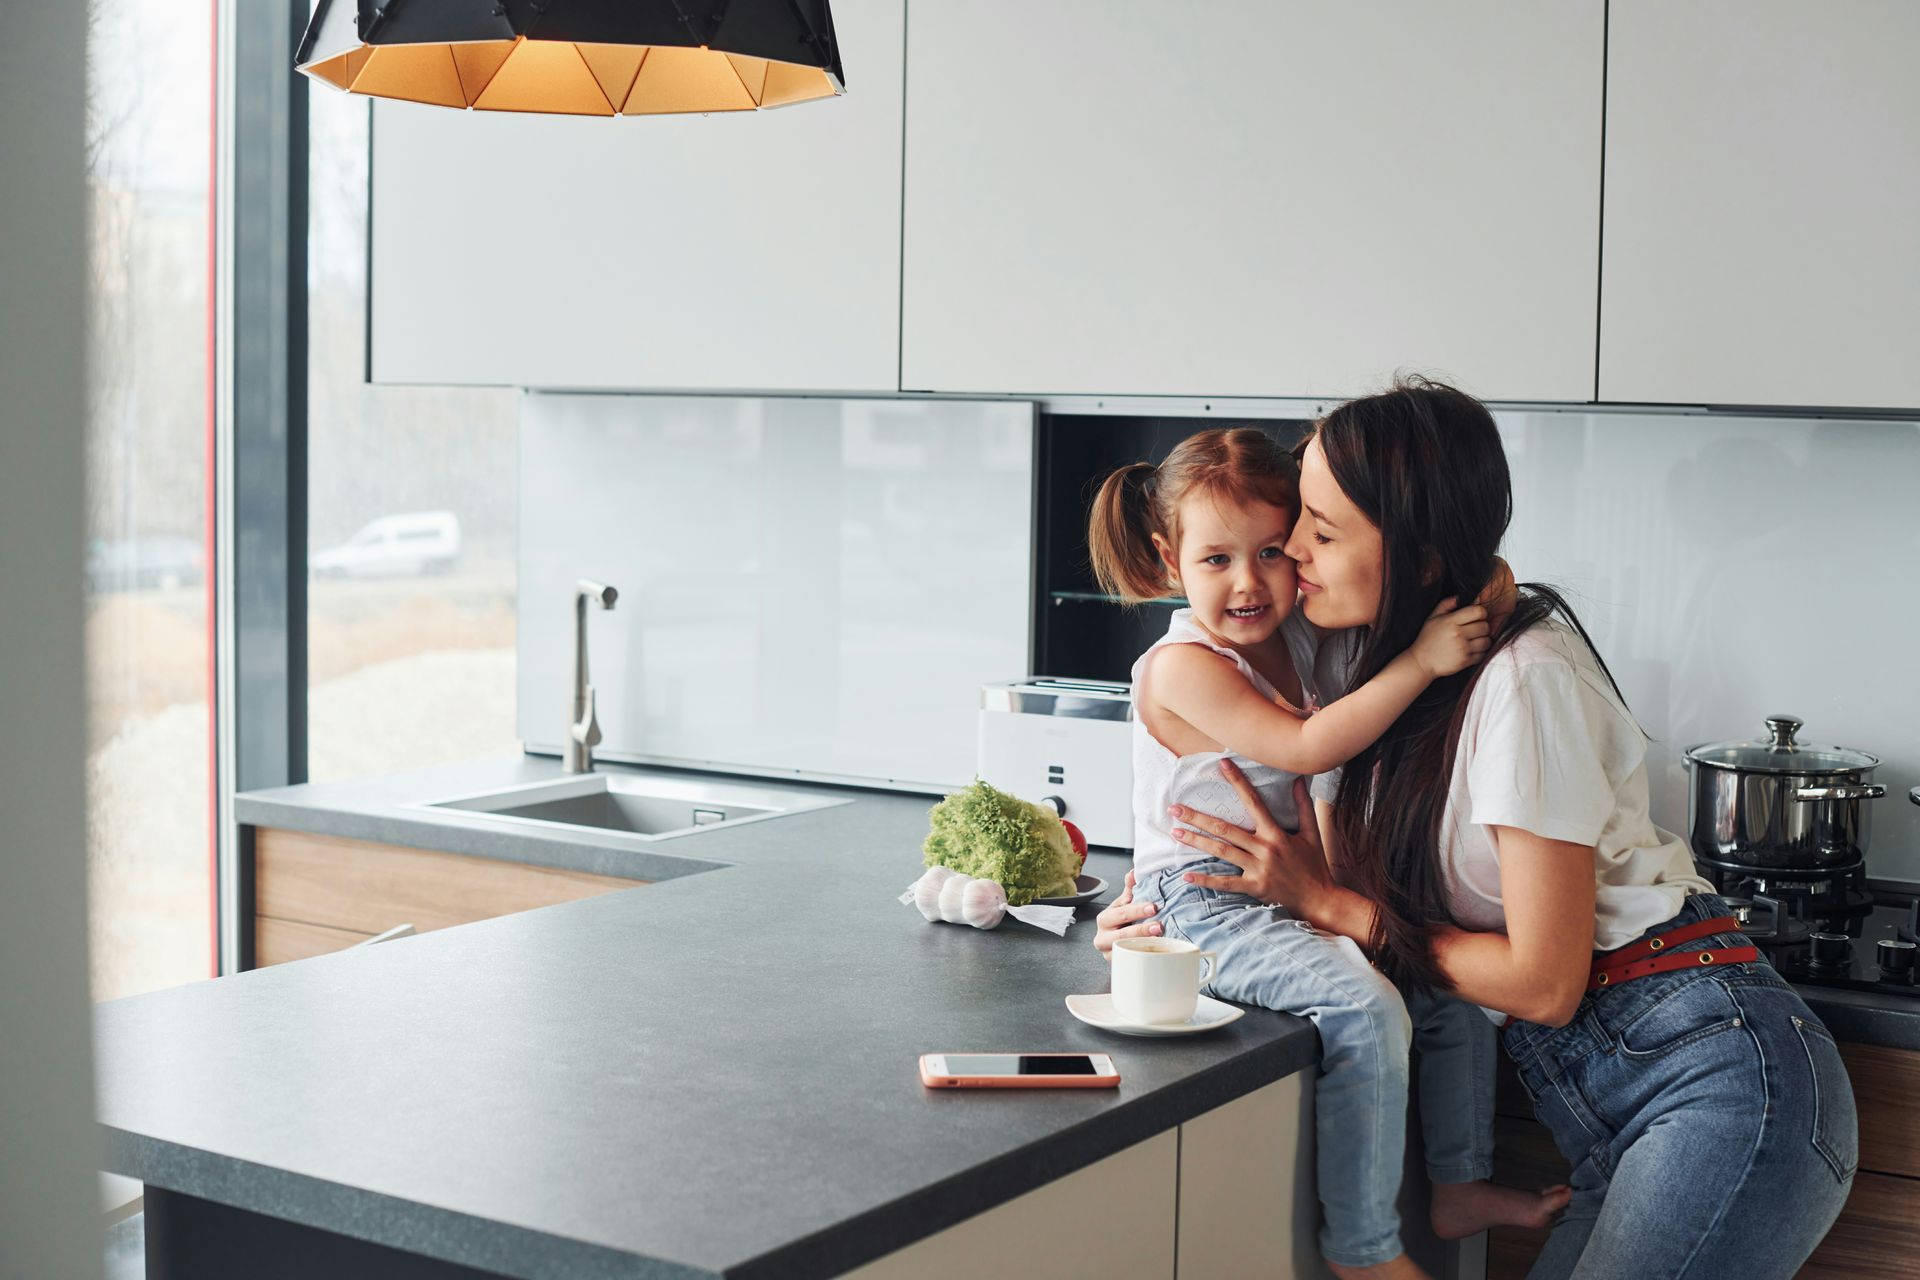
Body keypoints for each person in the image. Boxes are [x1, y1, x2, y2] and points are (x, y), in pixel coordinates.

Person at [1095, 378, 1857, 1279]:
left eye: (1317, 533)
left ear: (1417, 558)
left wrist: (1332, 907)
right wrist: (1167, 907)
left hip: (1717, 1079)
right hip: (1616, 1105)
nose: (1289, 553)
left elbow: (1540, 982)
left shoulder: (1523, 678)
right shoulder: (1379, 666)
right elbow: (1238, 780)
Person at [1087, 426, 1565, 1280]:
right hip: (1201, 901)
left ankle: (1458, 1186)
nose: (1248, 581)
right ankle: (1364, 1250)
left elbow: (1479, 578)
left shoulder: (1305, 633)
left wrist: (1478, 588)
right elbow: (1307, 750)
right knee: (1367, 1008)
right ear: (1167, 558)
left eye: (1272, 549)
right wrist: (1420, 661)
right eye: (1216, 559)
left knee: (1446, 988)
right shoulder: (1180, 669)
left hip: (1292, 887)